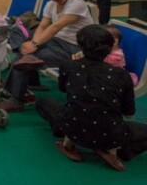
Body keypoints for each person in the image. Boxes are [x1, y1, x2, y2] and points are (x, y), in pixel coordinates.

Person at [36, 25, 147, 171]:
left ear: (80, 46)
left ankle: (68, 145)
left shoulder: (68, 65)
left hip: (71, 126)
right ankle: (113, 151)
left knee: (44, 102)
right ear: (110, 48)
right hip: (110, 133)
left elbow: (63, 89)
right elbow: (128, 112)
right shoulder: (121, 75)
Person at [1, 0, 94, 113]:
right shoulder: (51, 4)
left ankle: (16, 98)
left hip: (73, 49)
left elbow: (56, 27)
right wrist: (32, 44)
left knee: (28, 59)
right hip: (54, 40)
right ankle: (23, 68)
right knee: (16, 32)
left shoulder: (77, 4)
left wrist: (35, 45)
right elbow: (43, 26)